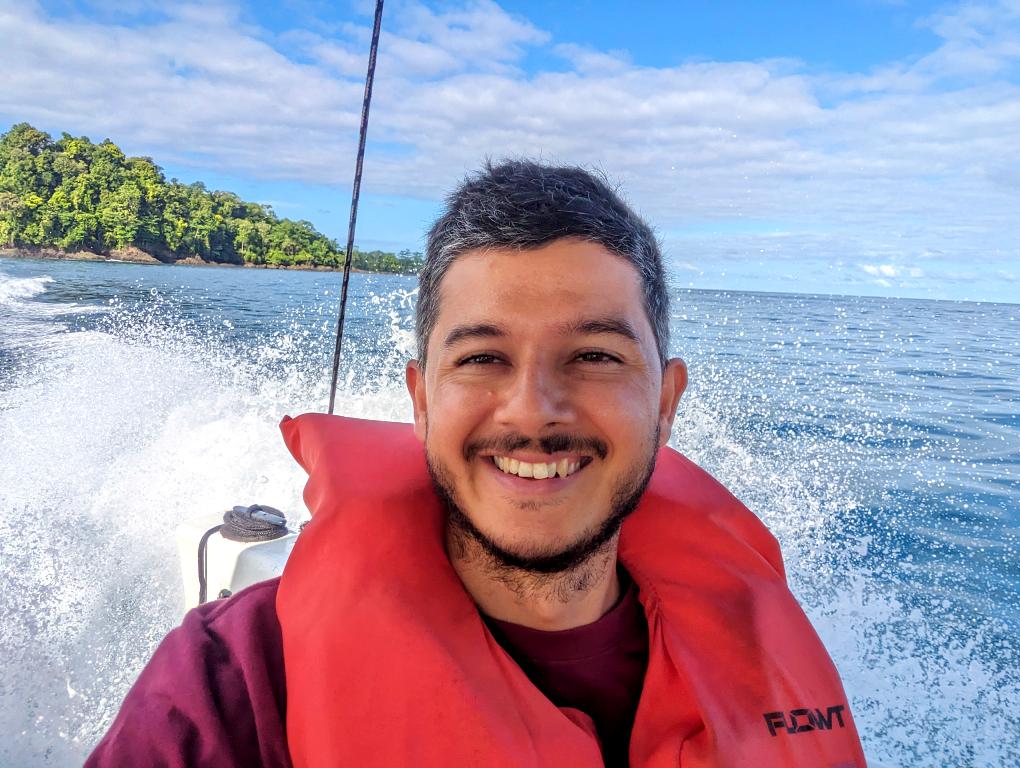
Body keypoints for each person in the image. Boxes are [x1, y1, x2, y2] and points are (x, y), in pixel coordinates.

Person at [87, 160, 866, 767]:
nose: (532, 411)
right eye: (483, 357)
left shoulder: (766, 666)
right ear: (421, 401)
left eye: (594, 355)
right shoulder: (234, 681)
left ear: (666, 402)